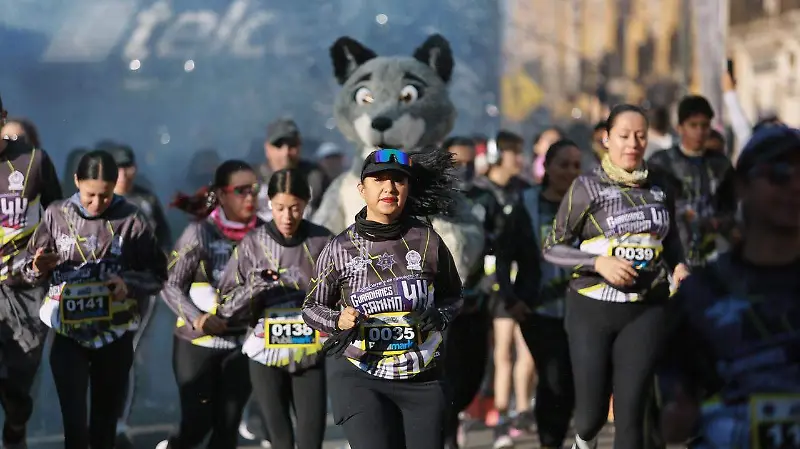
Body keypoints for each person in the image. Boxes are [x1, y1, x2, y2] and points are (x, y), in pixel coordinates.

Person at [542, 104, 691, 449]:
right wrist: (598, 262)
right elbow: (552, 247)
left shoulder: (661, 185)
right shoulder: (587, 186)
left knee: (632, 415)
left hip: (645, 307)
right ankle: (584, 441)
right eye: (624, 136)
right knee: (591, 417)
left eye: (640, 136)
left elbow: (671, 242)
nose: (633, 144)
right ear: (606, 139)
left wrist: (680, 267)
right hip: (591, 307)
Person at [302, 148, 463, 449]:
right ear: (362, 189)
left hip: (422, 376)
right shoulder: (339, 248)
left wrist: (440, 315)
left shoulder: (427, 240)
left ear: (408, 188)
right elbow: (311, 307)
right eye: (379, 180)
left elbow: (454, 296)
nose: (389, 188)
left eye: (398, 180)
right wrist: (338, 320)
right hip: (360, 375)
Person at [659, 125, 800, 448]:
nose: (796, 186)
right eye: (779, 173)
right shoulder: (700, 296)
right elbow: (672, 419)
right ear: (741, 186)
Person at [23, 150, 167, 449]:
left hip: (113, 333)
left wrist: (128, 283)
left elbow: (158, 274)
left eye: (105, 195)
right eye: (90, 195)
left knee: (104, 426)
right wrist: (38, 267)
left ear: (115, 187)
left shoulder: (131, 217)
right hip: (67, 332)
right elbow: (28, 270)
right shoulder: (56, 214)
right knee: (75, 426)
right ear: (77, 181)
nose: (97, 203)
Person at [216, 168, 332, 449]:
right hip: (264, 353)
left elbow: (344, 294)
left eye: (295, 208)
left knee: (311, 441)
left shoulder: (323, 241)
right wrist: (255, 287)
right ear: (268, 203)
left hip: (310, 352)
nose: (287, 216)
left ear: (306, 203)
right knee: (280, 440)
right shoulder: (252, 243)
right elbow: (225, 305)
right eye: (279, 208)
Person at [157, 160, 261, 449]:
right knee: (197, 423)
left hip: (241, 344)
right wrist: (198, 318)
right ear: (222, 195)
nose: (250, 197)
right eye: (241, 190)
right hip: (196, 344)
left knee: (227, 428)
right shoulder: (200, 232)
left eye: (254, 189)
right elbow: (170, 284)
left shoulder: (265, 233)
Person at [497, 139, 583, 449]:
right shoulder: (527, 203)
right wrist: (511, 300)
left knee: (570, 378)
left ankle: (561, 435)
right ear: (546, 167)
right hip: (538, 310)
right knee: (553, 374)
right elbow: (503, 254)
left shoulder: (588, 202)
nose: (570, 172)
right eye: (563, 165)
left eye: (576, 166)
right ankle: (550, 441)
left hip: (582, 310)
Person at [0, 92, 62, 448]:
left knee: (19, 379)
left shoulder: (34, 161)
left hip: (24, 285)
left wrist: (47, 260)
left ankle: (15, 425)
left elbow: (59, 218)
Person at [101, 142, 172, 446]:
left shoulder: (146, 198)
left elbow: (165, 239)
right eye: (118, 167)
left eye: (128, 166)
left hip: (140, 288)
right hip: (102, 286)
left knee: (126, 349)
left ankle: (118, 422)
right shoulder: (98, 197)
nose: (124, 172)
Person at [474, 130, 535, 448]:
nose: (520, 160)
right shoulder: (479, 193)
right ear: (497, 155)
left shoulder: (524, 191)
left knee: (527, 348)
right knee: (502, 350)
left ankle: (523, 410)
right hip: (493, 283)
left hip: (523, 278)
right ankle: (499, 416)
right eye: (515, 153)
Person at [441, 136, 493, 449]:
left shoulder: (486, 199)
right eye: (456, 163)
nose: (464, 169)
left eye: (470, 163)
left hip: (476, 303)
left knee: (472, 377)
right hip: (440, 307)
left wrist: (489, 284)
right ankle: (446, 438)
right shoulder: (430, 201)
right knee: (444, 378)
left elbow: (500, 245)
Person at [648, 95, 737, 269]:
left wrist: (717, 223)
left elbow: (733, 206)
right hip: (672, 256)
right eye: (693, 125)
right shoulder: (661, 163)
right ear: (680, 128)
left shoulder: (721, 165)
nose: (699, 132)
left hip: (714, 255)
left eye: (704, 126)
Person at [256, 118, 329, 222]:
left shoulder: (316, 179)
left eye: (292, 145)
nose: (285, 152)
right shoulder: (251, 180)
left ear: (300, 146)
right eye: (278, 145)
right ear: (267, 148)